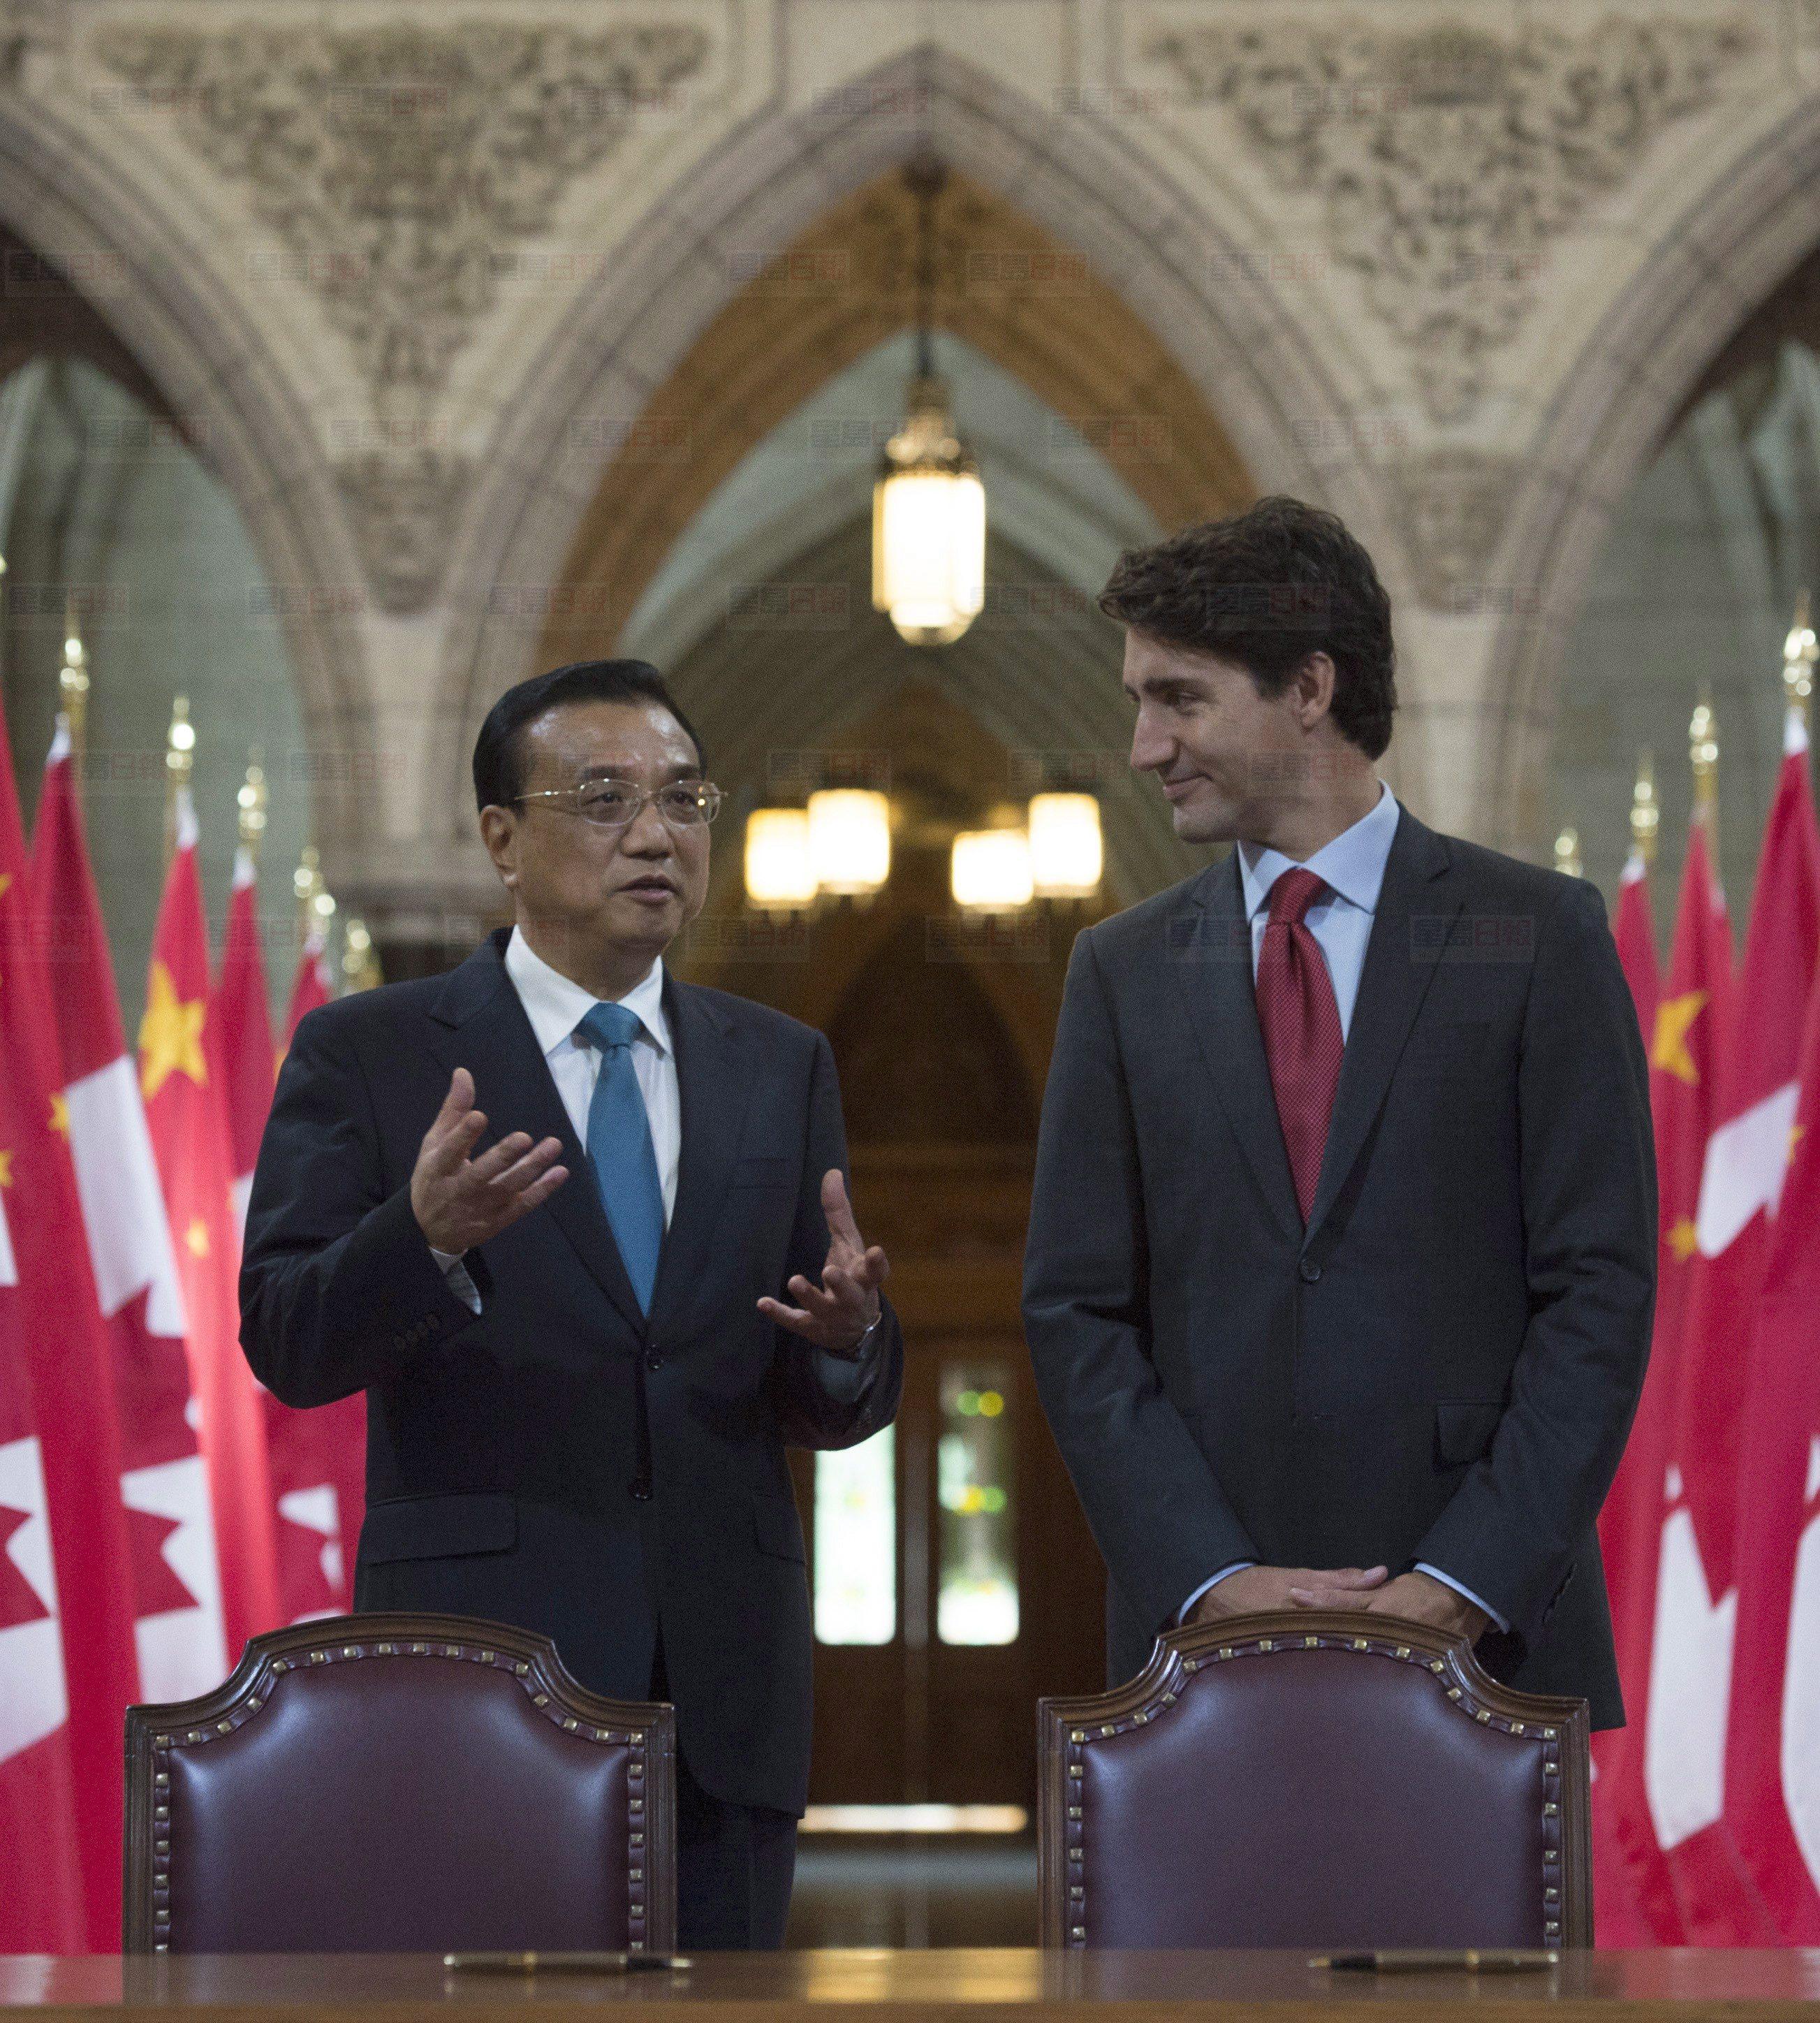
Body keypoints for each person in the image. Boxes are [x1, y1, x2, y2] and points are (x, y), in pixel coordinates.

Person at [242, 659, 903, 1950]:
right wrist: (418, 1243)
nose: (655, 834)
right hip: (480, 1674)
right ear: (501, 837)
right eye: (603, 799)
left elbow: (816, 1391)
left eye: (682, 799)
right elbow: (287, 1338)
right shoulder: (372, 1052)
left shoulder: (777, 1064)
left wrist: (849, 1344)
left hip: (725, 1690)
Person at [1022, 497, 1655, 1725]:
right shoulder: (1119, 970)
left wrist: (1459, 1582)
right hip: (1194, 1652)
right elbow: (1076, 1308)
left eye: (1180, 698)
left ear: (1309, 687)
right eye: (1137, 703)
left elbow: (1600, 1288)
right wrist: (1211, 1578)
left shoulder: (1536, 936)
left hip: (1494, 1647)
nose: (1145, 746)